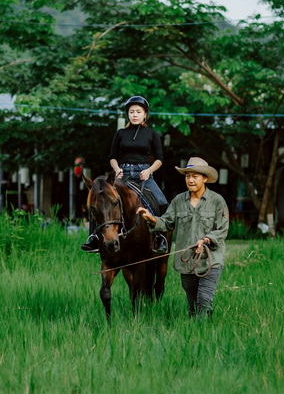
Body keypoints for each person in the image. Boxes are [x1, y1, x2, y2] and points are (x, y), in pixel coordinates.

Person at [137, 157, 229, 318]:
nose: (190, 180)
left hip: (210, 261)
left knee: (204, 302)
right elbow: (166, 222)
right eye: (187, 176)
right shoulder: (179, 200)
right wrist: (151, 219)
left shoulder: (217, 201)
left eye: (195, 176)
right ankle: (194, 336)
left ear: (205, 178)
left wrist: (206, 240)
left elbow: (222, 229)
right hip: (186, 262)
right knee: (192, 305)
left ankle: (205, 334)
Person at [81, 95, 169, 253]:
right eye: (131, 112)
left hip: (144, 174)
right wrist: (117, 169)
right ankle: (94, 236)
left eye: (138, 111)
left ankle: (160, 236)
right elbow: (112, 157)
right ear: (127, 114)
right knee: (101, 200)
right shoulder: (120, 133)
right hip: (123, 174)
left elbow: (160, 159)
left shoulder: (152, 134)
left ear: (145, 114)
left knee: (162, 201)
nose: (135, 114)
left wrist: (149, 170)